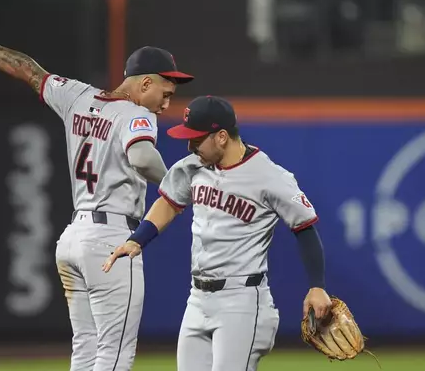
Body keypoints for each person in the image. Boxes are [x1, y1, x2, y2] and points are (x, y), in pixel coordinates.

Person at [0, 0, 194, 370]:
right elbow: (144, 157)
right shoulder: (138, 114)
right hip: (111, 241)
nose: (167, 102)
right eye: (165, 91)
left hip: (73, 240)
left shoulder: (78, 96)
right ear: (144, 83)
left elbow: (28, 69)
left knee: (84, 351)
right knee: (114, 356)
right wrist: (173, 184)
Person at [103, 95, 332, 371]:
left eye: (197, 139)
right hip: (197, 299)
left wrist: (317, 286)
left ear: (222, 136)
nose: (190, 146)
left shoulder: (271, 176)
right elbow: (168, 203)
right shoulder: (193, 167)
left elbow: (304, 227)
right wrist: (137, 240)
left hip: (242, 301)